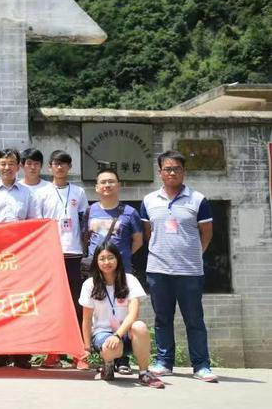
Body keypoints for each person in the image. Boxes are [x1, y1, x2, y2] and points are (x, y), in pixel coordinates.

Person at [140, 150, 217, 382]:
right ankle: (164, 362)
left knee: (194, 320)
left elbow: (206, 234)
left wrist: (193, 255)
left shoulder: (198, 200)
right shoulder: (149, 200)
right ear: (160, 172)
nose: (172, 172)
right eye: (167, 169)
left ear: (184, 172)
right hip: (158, 270)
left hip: (189, 272)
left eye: (177, 169)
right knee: (162, 319)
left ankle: (201, 366)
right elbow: (148, 234)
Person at [0, 148, 40, 369]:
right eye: (3, 163)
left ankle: (21, 352)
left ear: (18, 166)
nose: (7, 167)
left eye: (11, 163)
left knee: (20, 303)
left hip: (20, 257)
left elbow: (34, 223)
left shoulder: (27, 193)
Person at [79, 243, 165, 388]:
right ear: (96, 262)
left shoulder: (129, 280)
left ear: (118, 259)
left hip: (125, 333)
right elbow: (86, 319)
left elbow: (133, 313)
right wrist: (87, 348)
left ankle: (144, 373)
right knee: (111, 347)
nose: (107, 262)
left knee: (140, 326)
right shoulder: (90, 284)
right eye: (102, 259)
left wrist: (118, 335)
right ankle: (108, 364)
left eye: (110, 257)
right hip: (102, 334)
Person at [36, 150, 89, 369]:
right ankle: (53, 353)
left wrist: (85, 250)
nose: (60, 167)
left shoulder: (79, 192)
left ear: (69, 167)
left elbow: (84, 223)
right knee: (53, 305)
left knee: (76, 303)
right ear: (50, 167)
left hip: (74, 254)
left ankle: (79, 354)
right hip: (51, 255)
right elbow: (38, 225)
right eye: (56, 164)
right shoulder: (41, 193)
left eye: (64, 164)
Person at [84, 168, 143, 274]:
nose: (107, 185)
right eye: (103, 182)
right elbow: (84, 237)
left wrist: (122, 256)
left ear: (118, 186)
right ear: (97, 187)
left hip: (121, 269)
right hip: (96, 268)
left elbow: (138, 241)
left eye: (111, 181)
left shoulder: (130, 212)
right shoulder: (90, 210)